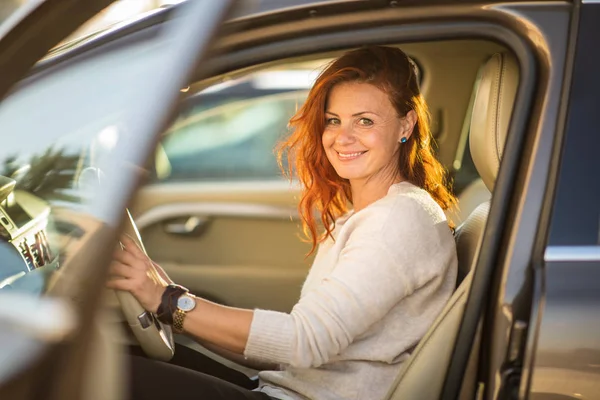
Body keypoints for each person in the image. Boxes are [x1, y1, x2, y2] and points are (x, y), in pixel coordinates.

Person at [107, 45, 458, 400]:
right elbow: (286, 355)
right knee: (116, 358)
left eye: (365, 121)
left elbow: (302, 342)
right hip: (285, 389)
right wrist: (172, 305)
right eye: (333, 120)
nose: (342, 137)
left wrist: (168, 300)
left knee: (106, 374)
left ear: (406, 125)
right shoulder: (372, 214)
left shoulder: (397, 220)